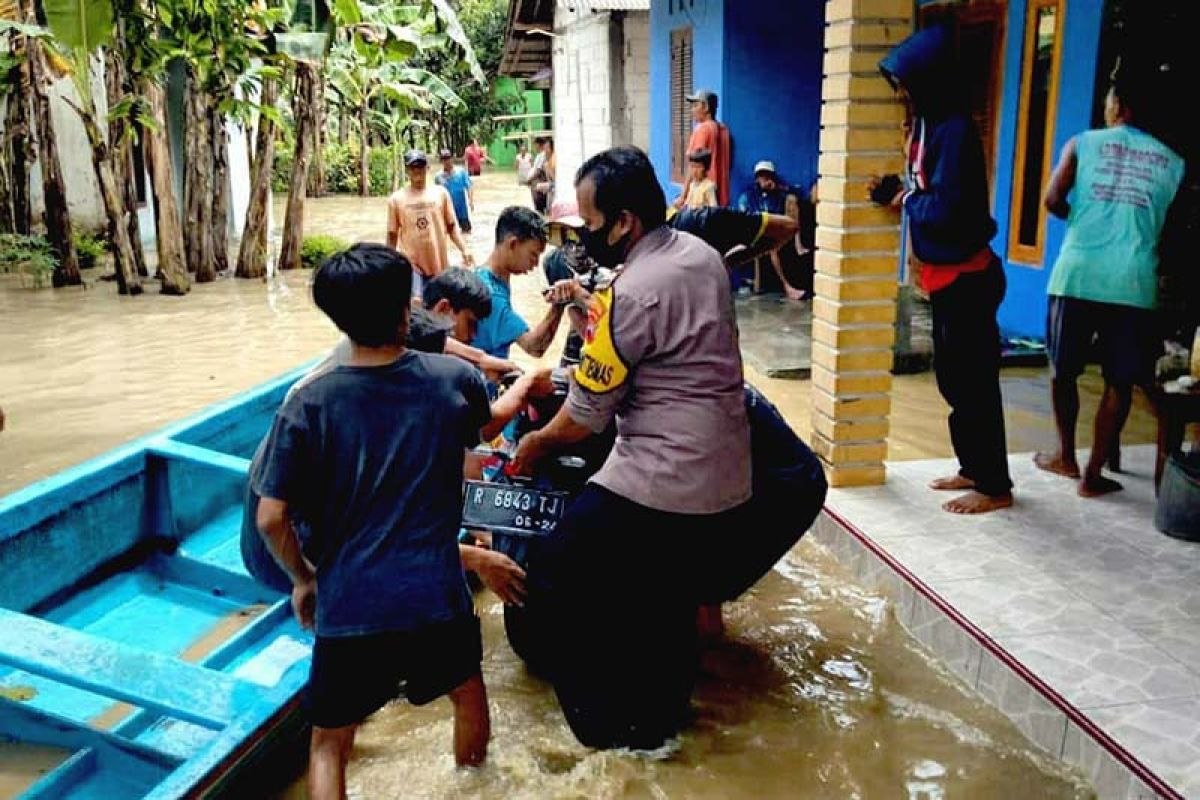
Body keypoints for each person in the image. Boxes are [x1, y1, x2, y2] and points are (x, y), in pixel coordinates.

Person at [510, 146, 751, 750]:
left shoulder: (632, 291)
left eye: (591, 226)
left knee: (554, 571)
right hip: (725, 477)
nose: (586, 239)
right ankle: (661, 730)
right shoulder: (701, 256)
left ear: (624, 223)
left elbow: (586, 419)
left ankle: (598, 730)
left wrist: (534, 446)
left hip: (662, 480)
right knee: (663, 599)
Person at [253, 244, 496, 798]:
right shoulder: (453, 380)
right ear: (406, 310)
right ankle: (474, 787)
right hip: (436, 594)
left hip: (351, 604)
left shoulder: (307, 404)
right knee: (467, 693)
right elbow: (474, 456)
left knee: (329, 742)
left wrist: (305, 579)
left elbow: (271, 519)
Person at [871, 25, 1014, 514]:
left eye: (908, 84)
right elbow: (922, 190)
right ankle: (972, 466)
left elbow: (950, 207)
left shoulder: (954, 131)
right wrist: (901, 192)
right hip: (945, 276)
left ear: (930, 81)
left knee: (974, 382)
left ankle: (995, 486)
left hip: (969, 276)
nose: (903, 94)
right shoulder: (929, 125)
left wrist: (906, 198)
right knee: (953, 379)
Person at [1035, 67, 1183, 497]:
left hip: (1078, 271)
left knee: (1063, 371)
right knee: (1119, 380)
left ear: (1118, 106)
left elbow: (1051, 200)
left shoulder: (1083, 143)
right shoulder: (1173, 162)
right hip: (1133, 280)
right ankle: (1093, 474)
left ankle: (1066, 456)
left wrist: (1082, 221)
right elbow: (1171, 231)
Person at [471, 206, 570, 362]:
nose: (536, 263)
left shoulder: (481, 276)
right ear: (513, 244)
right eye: (533, 254)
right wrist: (559, 304)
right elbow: (534, 347)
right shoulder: (492, 295)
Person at [387, 150, 474, 299]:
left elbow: (452, 227)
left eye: (420, 166)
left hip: (438, 264)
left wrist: (465, 249)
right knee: (416, 302)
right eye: (412, 167)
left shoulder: (441, 193)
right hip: (413, 265)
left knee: (441, 310)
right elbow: (392, 235)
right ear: (407, 170)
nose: (417, 170)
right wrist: (387, 264)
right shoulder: (396, 199)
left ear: (427, 168)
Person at [737, 162, 810, 300]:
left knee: (792, 202)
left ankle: (798, 243)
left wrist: (778, 188)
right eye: (761, 176)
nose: (764, 179)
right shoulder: (750, 195)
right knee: (771, 247)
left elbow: (799, 194)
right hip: (758, 231)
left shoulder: (780, 193)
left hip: (778, 230)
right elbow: (747, 218)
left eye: (767, 176)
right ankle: (787, 287)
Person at [675, 89, 731, 208]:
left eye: (695, 105)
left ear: (705, 107)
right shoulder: (724, 130)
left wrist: (683, 197)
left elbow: (694, 164)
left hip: (703, 200)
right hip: (722, 198)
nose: (692, 110)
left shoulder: (702, 129)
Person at [434, 149, 475, 235]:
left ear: (451, 158)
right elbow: (436, 194)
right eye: (444, 159)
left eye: (448, 158)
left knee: (467, 233)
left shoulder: (461, 172)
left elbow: (469, 186)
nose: (446, 161)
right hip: (447, 210)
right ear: (441, 161)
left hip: (462, 210)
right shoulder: (438, 177)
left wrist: (470, 201)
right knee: (448, 233)